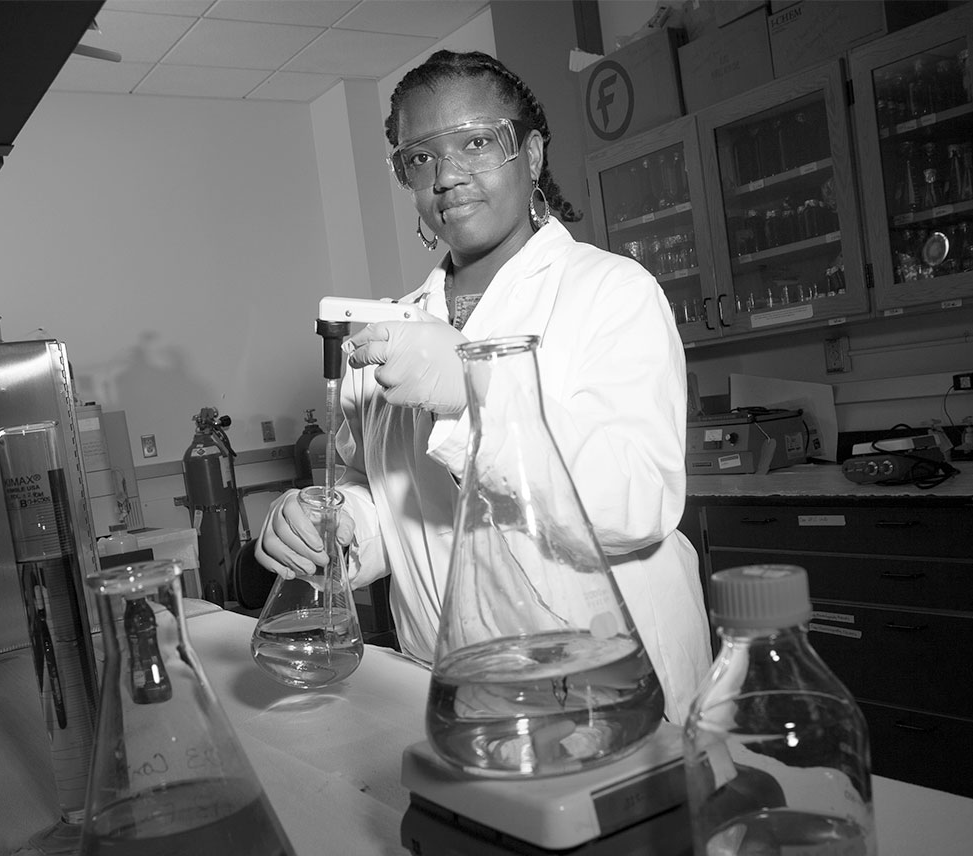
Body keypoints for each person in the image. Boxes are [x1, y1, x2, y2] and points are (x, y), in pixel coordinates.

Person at [256, 49, 710, 719]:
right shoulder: (395, 329)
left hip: (600, 688)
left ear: (530, 156)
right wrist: (333, 527)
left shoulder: (611, 292)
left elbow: (638, 504)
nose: (447, 176)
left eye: (476, 143)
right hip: (450, 690)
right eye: (420, 158)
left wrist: (474, 398)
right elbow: (390, 499)